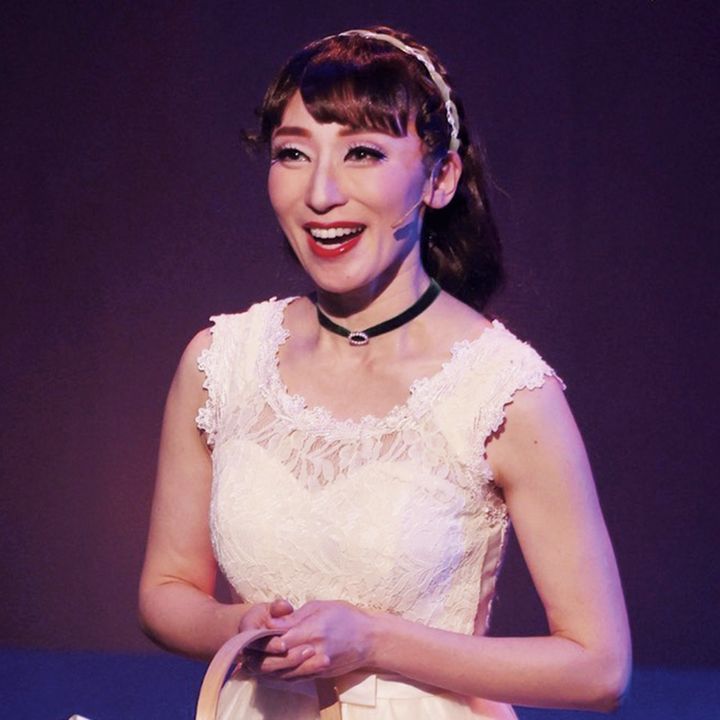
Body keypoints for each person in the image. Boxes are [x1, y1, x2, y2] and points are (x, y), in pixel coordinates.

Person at [138, 26, 631, 720]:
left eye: (363, 153)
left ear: (440, 178)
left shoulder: (503, 392)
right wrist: (238, 626)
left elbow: (599, 666)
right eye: (293, 154)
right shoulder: (221, 363)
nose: (320, 192)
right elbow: (166, 590)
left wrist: (373, 640)